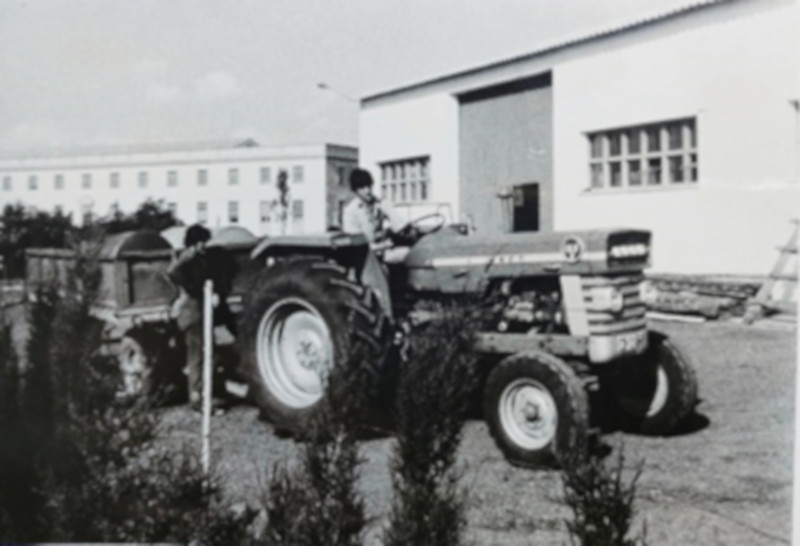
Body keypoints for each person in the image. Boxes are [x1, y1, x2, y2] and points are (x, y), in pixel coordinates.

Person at [167, 224, 238, 413]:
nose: (203, 246)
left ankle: (203, 393)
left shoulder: (197, 258)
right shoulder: (188, 257)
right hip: (193, 312)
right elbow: (173, 273)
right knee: (198, 356)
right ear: (193, 243)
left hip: (198, 311)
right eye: (200, 242)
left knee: (205, 355)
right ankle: (198, 398)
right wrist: (198, 291)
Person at [342, 168, 399, 251]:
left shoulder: (378, 203)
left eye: (369, 186)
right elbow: (355, 244)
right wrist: (384, 245)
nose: (368, 190)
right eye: (362, 187)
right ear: (355, 190)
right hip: (365, 256)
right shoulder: (351, 211)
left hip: (382, 250)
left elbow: (396, 220)